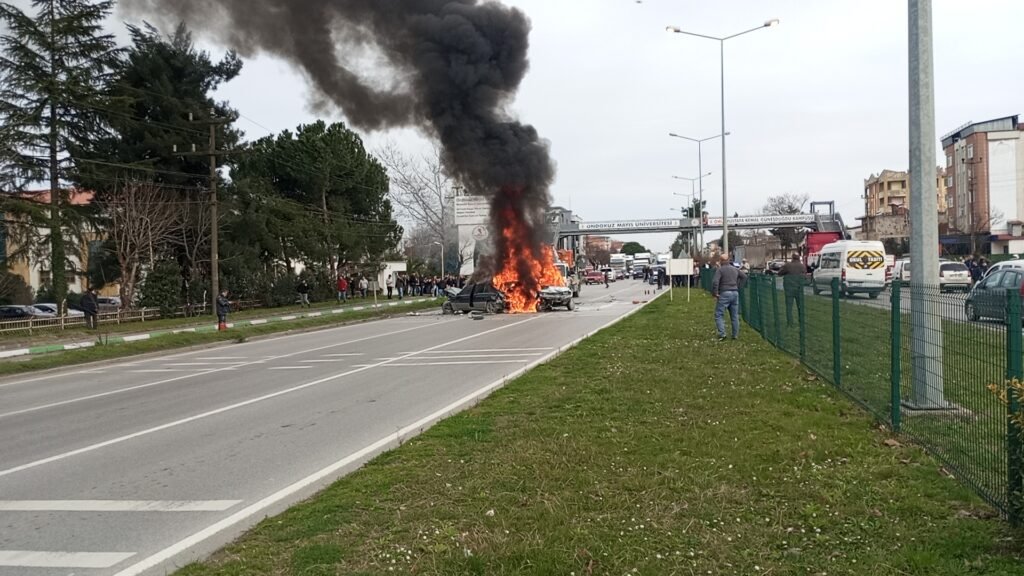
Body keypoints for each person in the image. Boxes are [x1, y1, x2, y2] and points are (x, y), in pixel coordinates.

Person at [712, 253, 747, 341]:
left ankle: (722, 334)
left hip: (724, 293)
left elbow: (715, 282)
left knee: (719, 314)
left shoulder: (720, 270)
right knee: (734, 315)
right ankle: (735, 335)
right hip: (735, 293)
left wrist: (715, 293)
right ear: (729, 260)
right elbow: (744, 276)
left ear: (721, 261)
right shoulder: (735, 269)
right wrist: (739, 286)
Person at [779, 254, 806, 327]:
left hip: (789, 289)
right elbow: (804, 276)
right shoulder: (802, 266)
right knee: (800, 306)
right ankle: (801, 322)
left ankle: (790, 323)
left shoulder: (788, 265)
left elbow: (780, 273)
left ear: (792, 258)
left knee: (789, 306)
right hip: (799, 288)